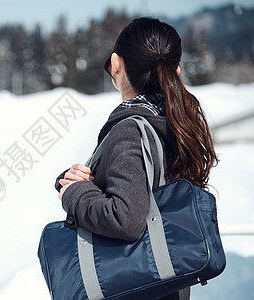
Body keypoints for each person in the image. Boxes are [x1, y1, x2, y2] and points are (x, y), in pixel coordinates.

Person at [55, 17, 218, 300]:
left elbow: (125, 220)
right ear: (176, 71)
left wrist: (73, 194)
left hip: (134, 289)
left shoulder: (130, 130)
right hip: (168, 286)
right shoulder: (175, 124)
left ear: (116, 64)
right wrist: (80, 183)